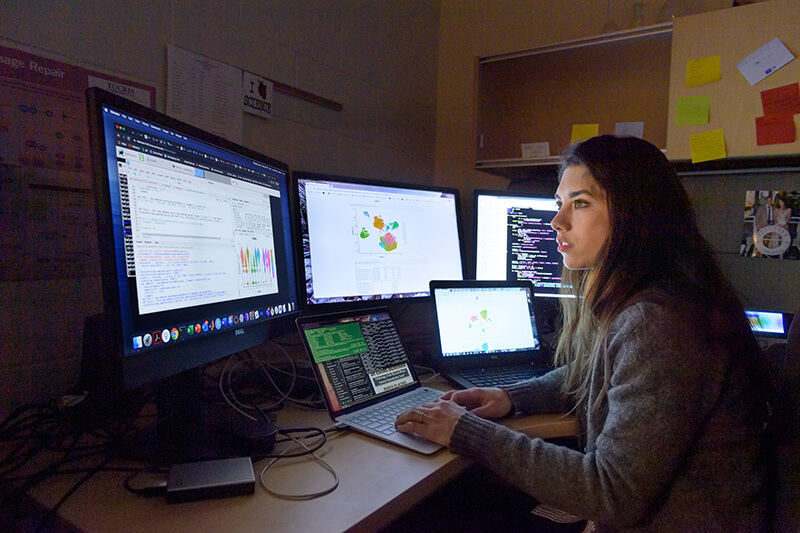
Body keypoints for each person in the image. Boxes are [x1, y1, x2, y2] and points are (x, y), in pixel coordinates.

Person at [396, 135, 770, 532]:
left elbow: (612, 492)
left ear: (634, 215)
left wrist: (466, 431)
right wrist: (511, 397)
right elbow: (599, 372)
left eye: (581, 203)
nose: (557, 221)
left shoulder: (656, 323)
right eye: (560, 204)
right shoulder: (655, 297)